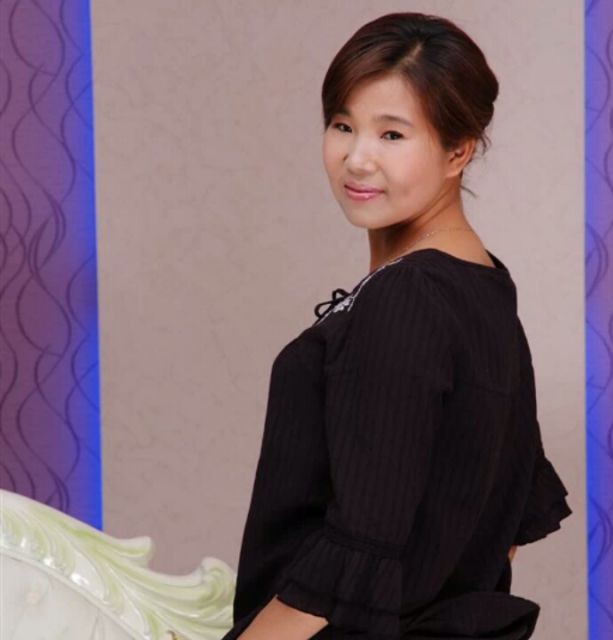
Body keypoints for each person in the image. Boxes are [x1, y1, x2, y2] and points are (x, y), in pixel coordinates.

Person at [221, 12, 572, 640]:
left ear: (458, 150)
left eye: (392, 134)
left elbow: (353, 551)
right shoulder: (484, 283)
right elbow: (504, 525)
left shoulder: (408, 298)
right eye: (342, 125)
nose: (357, 159)